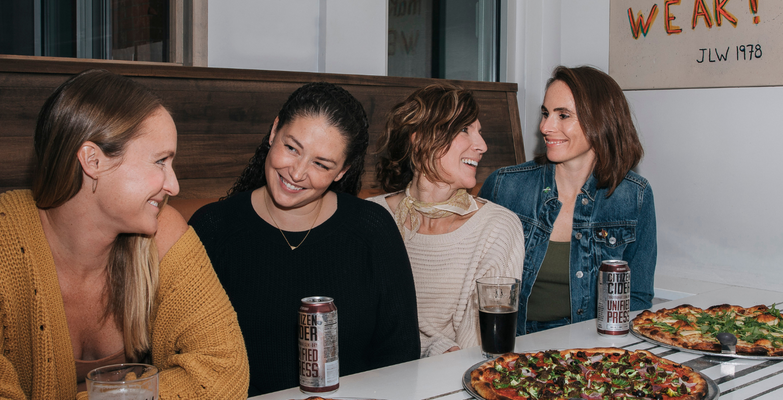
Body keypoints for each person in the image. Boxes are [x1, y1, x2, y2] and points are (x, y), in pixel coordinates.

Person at [0, 69, 249, 400]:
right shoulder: (6, 242)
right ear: (93, 161)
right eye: (160, 161)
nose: (173, 185)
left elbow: (224, 371)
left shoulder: (164, 232)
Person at [188, 82, 420, 396]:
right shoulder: (213, 228)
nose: (297, 173)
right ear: (273, 132)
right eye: (292, 148)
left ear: (342, 171)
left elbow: (401, 354)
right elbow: (187, 356)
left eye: (321, 164)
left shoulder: (372, 229)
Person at [479, 65, 657, 334]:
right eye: (545, 113)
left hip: (590, 349)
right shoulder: (504, 186)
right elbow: (471, 284)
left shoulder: (635, 195)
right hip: (511, 344)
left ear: (601, 121)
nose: (545, 127)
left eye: (563, 115)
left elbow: (637, 299)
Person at [368, 84, 524, 357]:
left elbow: (478, 348)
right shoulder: (371, 219)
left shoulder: (497, 227)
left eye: (480, 132)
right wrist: (433, 347)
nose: (482, 146)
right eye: (465, 129)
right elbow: (362, 325)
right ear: (419, 139)